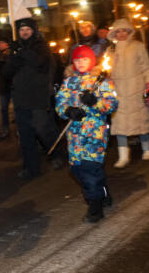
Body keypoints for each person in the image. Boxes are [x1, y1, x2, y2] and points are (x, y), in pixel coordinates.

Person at [55, 45, 118, 223]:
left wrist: (95, 102)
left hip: (95, 131)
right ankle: (102, 192)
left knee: (90, 168)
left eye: (84, 59)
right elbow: (60, 103)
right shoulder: (69, 82)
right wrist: (68, 111)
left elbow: (112, 104)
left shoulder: (102, 81)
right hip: (74, 134)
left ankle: (95, 206)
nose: (80, 63)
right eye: (77, 60)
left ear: (91, 61)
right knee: (76, 169)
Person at [5, 17, 64, 180]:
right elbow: (7, 72)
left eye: (28, 29)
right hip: (20, 97)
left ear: (33, 31)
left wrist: (22, 51)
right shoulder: (16, 49)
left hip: (38, 96)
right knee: (25, 134)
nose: (25, 32)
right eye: (21, 30)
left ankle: (55, 154)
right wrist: (12, 59)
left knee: (42, 128)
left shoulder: (40, 46)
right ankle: (30, 167)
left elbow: (40, 63)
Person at [105, 18, 149, 168]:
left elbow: (146, 67)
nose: (121, 34)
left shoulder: (138, 46)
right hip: (118, 90)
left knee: (140, 119)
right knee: (119, 123)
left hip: (137, 88)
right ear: (114, 34)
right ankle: (123, 155)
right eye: (118, 31)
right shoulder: (111, 51)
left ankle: (147, 147)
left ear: (129, 32)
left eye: (124, 31)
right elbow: (106, 69)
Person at [0, 39, 14, 140]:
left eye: (2, 43)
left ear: (6, 44)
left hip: (13, 86)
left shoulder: (11, 54)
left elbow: (9, 69)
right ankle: (5, 129)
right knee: (4, 109)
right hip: (4, 86)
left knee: (18, 109)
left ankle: (20, 130)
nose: (0, 45)